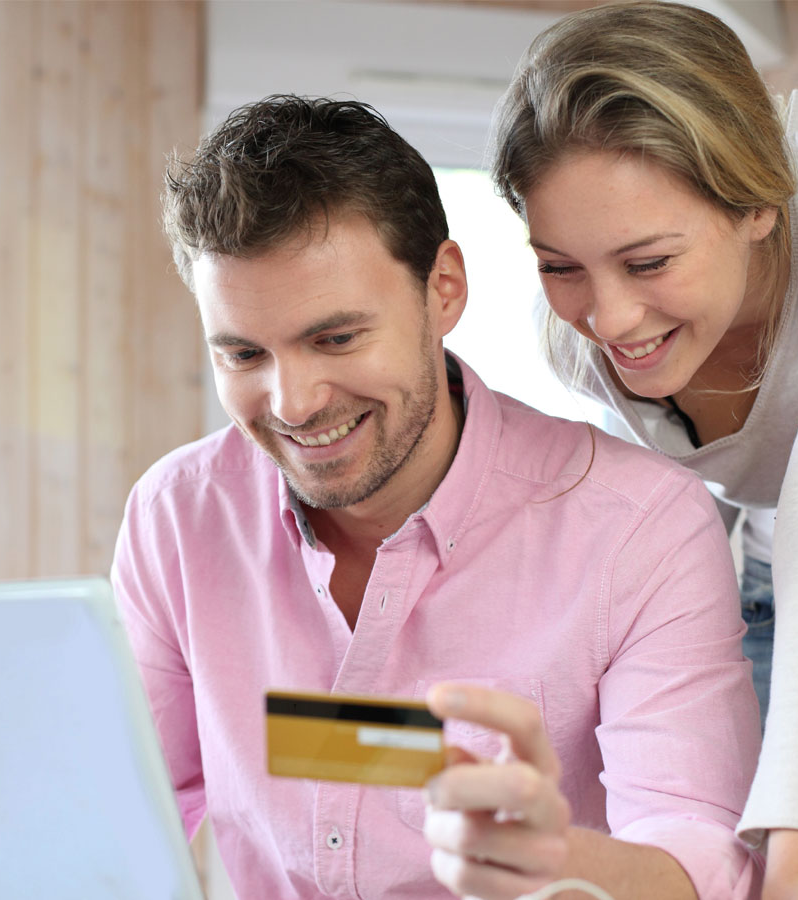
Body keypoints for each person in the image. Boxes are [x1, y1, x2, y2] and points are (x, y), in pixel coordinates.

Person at [111, 93, 763, 900]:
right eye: (244, 354)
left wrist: (561, 864)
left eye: (336, 338)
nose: (294, 402)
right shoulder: (177, 517)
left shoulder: (639, 527)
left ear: (443, 289)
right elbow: (126, 809)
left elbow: (702, 854)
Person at [490, 2, 798, 898]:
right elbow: (642, 550)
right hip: (788, 603)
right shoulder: (579, 343)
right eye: (560, 265)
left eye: (647, 263)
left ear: (757, 203)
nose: (609, 319)